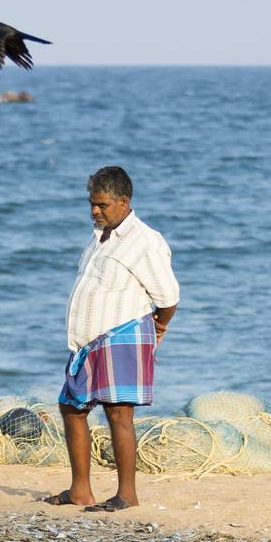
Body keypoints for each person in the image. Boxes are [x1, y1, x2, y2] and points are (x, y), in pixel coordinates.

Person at [46, 166, 179, 512]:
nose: (94, 211)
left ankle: (127, 495)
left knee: (118, 412)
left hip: (122, 333)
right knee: (71, 407)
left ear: (124, 201)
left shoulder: (145, 241)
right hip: (86, 341)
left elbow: (167, 297)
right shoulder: (99, 234)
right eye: (91, 203)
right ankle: (80, 490)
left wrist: (159, 328)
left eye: (102, 205)